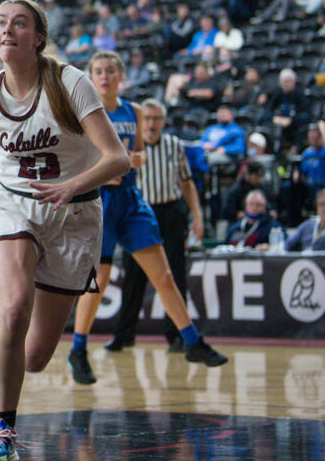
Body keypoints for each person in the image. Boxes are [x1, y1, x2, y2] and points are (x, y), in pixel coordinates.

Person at [0, 0, 133, 461]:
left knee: (35, 356)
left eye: (19, 23)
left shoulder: (68, 82)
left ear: (38, 37)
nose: (7, 30)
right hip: (11, 207)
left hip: (75, 214)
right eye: (0, 23)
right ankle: (2, 434)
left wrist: (71, 185)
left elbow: (117, 157)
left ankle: (12, 394)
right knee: (15, 305)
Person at [69, 51, 226, 387]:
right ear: (91, 77)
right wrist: (103, 170)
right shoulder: (85, 111)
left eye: (111, 70)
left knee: (165, 275)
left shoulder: (134, 111)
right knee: (101, 280)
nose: (105, 76)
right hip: (101, 200)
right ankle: (78, 349)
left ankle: (192, 342)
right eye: (99, 71)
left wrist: (131, 160)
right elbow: (78, 159)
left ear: (121, 75)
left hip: (130, 198)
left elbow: (138, 153)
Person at [105, 99, 204, 353]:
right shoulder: (123, 144)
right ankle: (124, 334)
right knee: (132, 277)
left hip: (170, 212)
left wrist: (197, 215)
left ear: (163, 121)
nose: (150, 123)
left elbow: (187, 182)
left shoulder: (174, 146)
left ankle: (176, 336)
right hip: (137, 212)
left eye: (156, 118)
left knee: (174, 275)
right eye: (146, 118)